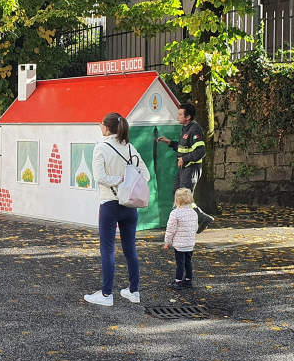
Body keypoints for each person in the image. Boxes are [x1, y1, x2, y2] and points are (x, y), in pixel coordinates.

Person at [84, 112, 150, 306]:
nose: (100, 127)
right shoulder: (130, 147)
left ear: (106, 128)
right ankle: (134, 291)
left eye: (101, 124)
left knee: (107, 249)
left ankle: (106, 295)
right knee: (130, 249)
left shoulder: (101, 147)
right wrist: (128, 182)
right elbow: (145, 175)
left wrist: (119, 181)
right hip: (130, 205)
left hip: (110, 204)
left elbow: (100, 177)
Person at [157, 102, 215, 233]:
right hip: (184, 169)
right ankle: (200, 218)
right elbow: (184, 147)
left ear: (188, 117)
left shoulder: (195, 129)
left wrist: (184, 159)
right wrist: (170, 143)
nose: (177, 117)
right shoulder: (186, 128)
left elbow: (200, 151)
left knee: (184, 198)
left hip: (191, 168)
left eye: (180, 114)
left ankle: (196, 221)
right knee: (177, 193)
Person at [164, 188, 199, 289]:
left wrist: (167, 242)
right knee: (188, 261)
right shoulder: (193, 213)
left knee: (180, 263)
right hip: (190, 243)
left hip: (179, 244)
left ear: (176, 201)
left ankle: (177, 281)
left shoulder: (175, 213)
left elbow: (171, 229)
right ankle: (188, 280)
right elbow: (196, 227)